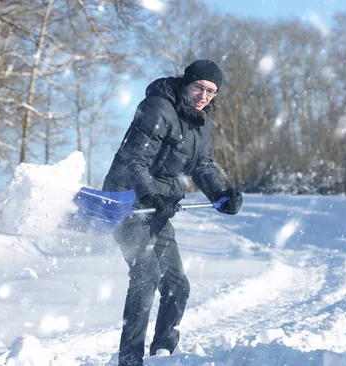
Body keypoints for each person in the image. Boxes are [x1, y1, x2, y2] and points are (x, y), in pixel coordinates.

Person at [102, 59, 243, 366]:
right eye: (199, 87)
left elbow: (202, 165)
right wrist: (150, 192)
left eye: (211, 91)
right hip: (126, 202)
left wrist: (220, 195)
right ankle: (129, 360)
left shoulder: (199, 123)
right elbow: (132, 160)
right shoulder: (157, 107)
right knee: (146, 274)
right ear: (184, 83)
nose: (204, 96)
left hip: (157, 209)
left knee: (177, 285)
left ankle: (162, 354)